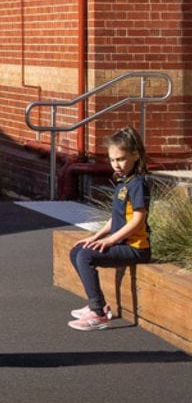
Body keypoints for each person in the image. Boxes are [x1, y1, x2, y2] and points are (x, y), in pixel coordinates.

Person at [68, 126, 153, 330]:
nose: (117, 165)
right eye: (113, 160)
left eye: (121, 159)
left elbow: (138, 220)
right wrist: (96, 237)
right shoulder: (123, 182)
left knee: (85, 257)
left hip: (136, 248)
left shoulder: (137, 184)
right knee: (77, 251)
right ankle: (96, 304)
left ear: (136, 155)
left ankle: (98, 314)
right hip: (121, 242)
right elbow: (116, 219)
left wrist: (111, 240)